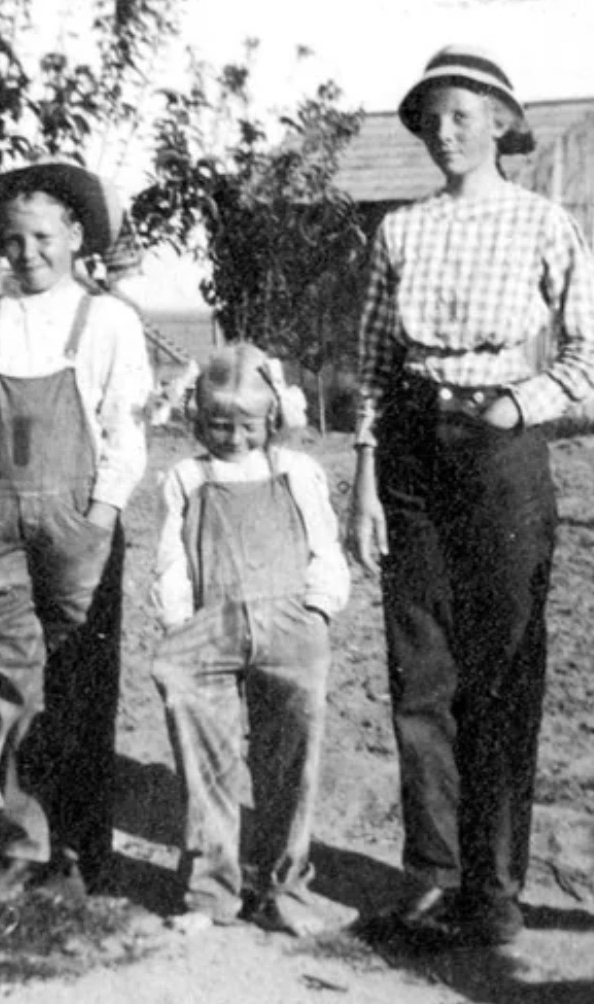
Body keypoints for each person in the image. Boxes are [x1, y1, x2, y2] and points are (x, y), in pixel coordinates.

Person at [347, 45, 594, 947]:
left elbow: (589, 354)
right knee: (419, 673)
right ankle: (431, 876)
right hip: (411, 459)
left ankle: (493, 890)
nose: (443, 133)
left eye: (461, 115)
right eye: (429, 119)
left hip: (501, 457)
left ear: (501, 121)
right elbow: (374, 366)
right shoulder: (400, 230)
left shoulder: (542, 222)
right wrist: (364, 475)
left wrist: (515, 404)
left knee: (501, 673)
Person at [0, 162, 154, 898]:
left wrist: (100, 515)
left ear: (76, 237)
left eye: (43, 237)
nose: (26, 253)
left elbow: (127, 431)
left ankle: (83, 855)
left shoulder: (108, 320)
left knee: (83, 687)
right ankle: (26, 846)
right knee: (11, 687)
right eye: (13, 240)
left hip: (77, 521)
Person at [148, 344, 350, 936]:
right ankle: (210, 894)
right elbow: (170, 559)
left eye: (246, 426)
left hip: (290, 625)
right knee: (205, 760)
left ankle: (286, 892)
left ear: (272, 421)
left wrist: (318, 608)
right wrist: (179, 620)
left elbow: (325, 545)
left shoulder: (295, 472)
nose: (232, 438)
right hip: (210, 629)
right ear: (196, 421)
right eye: (217, 426)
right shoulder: (188, 477)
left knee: (291, 760)